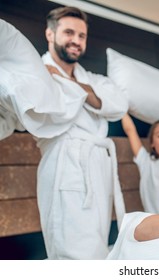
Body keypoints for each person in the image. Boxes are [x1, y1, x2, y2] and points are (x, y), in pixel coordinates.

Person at [36, 6, 128, 259]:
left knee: (96, 241)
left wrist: (71, 83)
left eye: (82, 35)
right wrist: (86, 93)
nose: (76, 40)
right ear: (50, 34)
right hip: (65, 161)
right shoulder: (37, 73)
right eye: (69, 32)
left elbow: (119, 105)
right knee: (72, 246)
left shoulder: (94, 79)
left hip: (97, 163)